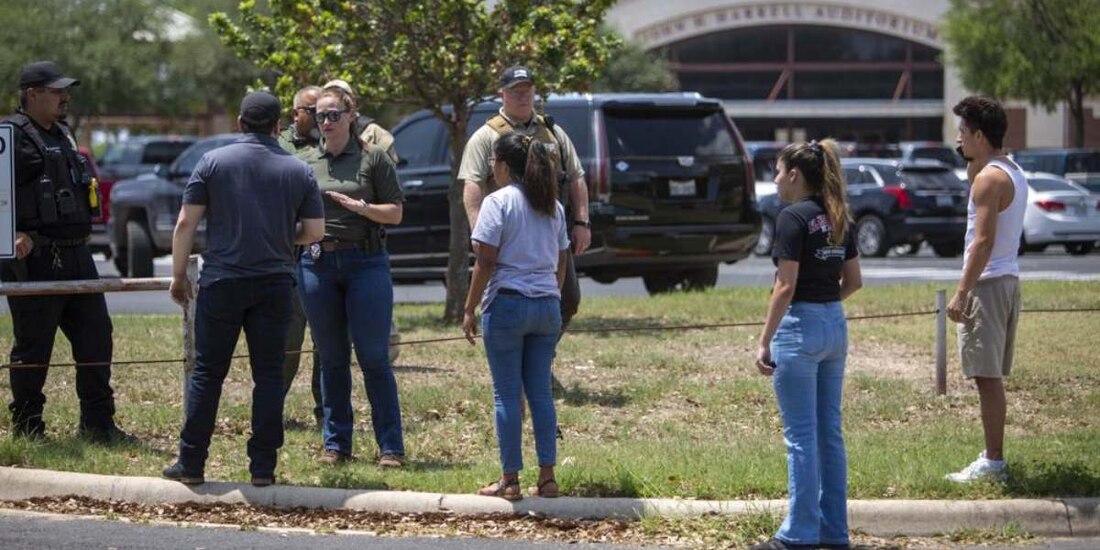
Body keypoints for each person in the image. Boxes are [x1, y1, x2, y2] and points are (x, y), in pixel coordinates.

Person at [163, 91, 325, 486]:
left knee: (208, 372)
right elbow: (315, 232)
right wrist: (283, 239)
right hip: (274, 282)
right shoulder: (298, 170)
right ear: (277, 127)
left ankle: (192, 461)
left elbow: (186, 223)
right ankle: (263, 466)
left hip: (222, 281)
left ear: (239, 123)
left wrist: (179, 275)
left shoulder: (212, 162)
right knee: (268, 375)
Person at [0, 61, 135, 444]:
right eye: (57, 91)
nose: (65, 97)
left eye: (66, 91)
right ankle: (28, 427)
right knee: (34, 346)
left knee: (96, 338)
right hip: (35, 259)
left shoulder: (63, 132)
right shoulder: (10, 136)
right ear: (32, 94)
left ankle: (98, 425)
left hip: (78, 255)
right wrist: (10, 235)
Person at [752, 140, 861, 550]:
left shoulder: (791, 217)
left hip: (800, 327)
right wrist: (824, 306)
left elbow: (785, 285)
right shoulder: (838, 216)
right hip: (834, 323)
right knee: (829, 434)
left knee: (800, 437)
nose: (776, 179)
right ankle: (834, 532)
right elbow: (853, 282)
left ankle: (797, 534)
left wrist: (764, 342)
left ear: (795, 175)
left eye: (778, 171)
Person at [459, 65, 589, 386]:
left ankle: (540, 360)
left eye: (527, 90)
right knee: (506, 300)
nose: (522, 96)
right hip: (506, 234)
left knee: (568, 298)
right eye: (515, 91)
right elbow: (472, 187)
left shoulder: (552, 132)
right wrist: (480, 231)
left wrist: (582, 221)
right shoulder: (487, 136)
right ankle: (518, 368)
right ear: (501, 94)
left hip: (548, 232)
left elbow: (576, 177)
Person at [297, 86, 406, 468]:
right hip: (317, 264)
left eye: (333, 115)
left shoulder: (373, 158)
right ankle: (336, 444)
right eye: (319, 115)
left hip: (366, 263)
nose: (326, 122)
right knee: (331, 358)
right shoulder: (306, 161)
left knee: (374, 357)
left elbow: (395, 213)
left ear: (350, 115)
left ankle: (390, 447)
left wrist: (363, 208)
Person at [463, 133, 569, 501]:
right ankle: (548, 477)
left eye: (494, 161)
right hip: (546, 306)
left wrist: (469, 307)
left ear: (505, 165)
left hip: (507, 303)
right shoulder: (552, 205)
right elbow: (563, 257)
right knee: (540, 393)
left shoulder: (497, 202)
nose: (492, 167)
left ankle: (510, 480)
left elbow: (486, 260)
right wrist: (550, 290)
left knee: (506, 395)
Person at [945, 96, 1027, 484]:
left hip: (988, 283)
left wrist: (962, 291)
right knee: (988, 375)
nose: (957, 140)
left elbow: (982, 242)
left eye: (962, 132)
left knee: (986, 377)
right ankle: (993, 456)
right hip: (1006, 279)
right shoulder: (1009, 170)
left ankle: (994, 462)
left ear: (979, 135)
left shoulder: (988, 180)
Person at [278, 85, 325, 427]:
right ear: (297, 114)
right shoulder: (282, 146)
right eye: (314, 110)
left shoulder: (335, 142)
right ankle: (271, 407)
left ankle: (327, 411)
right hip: (293, 255)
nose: (323, 117)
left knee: (328, 342)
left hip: (327, 255)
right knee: (288, 340)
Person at [321, 79, 399, 164]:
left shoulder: (374, 132)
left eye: (341, 98)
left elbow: (391, 169)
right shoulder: (322, 134)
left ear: (352, 102)